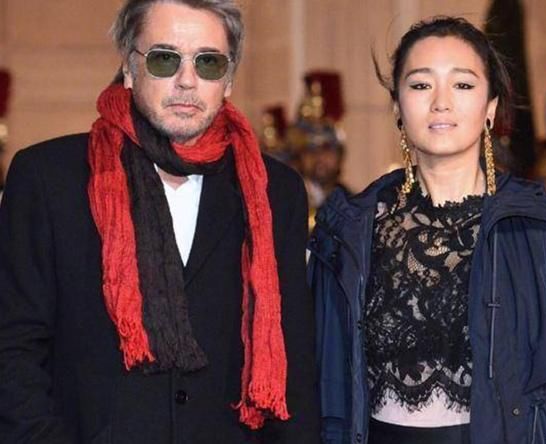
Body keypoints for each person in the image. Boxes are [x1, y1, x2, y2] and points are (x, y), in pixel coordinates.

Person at [0, 1, 319, 443]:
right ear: (130, 68)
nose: (187, 80)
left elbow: (294, 362)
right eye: (165, 59)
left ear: (228, 79)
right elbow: (14, 351)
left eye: (208, 62)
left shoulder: (274, 191)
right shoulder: (48, 178)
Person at [308, 16, 546, 444]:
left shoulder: (542, 227)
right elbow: (320, 390)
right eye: (420, 84)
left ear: (490, 109)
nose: (441, 102)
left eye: (463, 85)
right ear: (397, 107)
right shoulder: (349, 231)